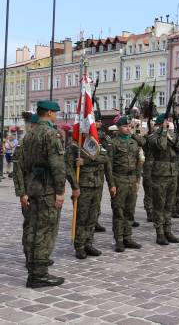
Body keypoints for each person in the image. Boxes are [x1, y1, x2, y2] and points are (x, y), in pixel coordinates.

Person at [14, 102, 67, 288]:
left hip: (33, 187)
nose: (57, 117)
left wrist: (23, 191)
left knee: (32, 228)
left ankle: (32, 265)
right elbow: (58, 167)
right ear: (50, 113)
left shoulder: (29, 135)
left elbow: (21, 165)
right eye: (56, 113)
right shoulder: (51, 134)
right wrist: (60, 192)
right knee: (45, 231)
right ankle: (39, 275)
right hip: (47, 189)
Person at [65, 130, 111, 259]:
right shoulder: (74, 147)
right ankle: (79, 246)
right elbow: (68, 168)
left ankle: (88, 243)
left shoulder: (93, 144)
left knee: (92, 217)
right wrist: (75, 186)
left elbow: (105, 158)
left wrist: (86, 161)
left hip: (97, 185)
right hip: (83, 186)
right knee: (82, 217)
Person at [108, 116, 144, 252]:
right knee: (119, 211)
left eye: (130, 126)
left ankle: (128, 237)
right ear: (118, 128)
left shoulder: (134, 143)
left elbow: (138, 163)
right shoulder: (113, 143)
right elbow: (109, 166)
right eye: (125, 126)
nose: (128, 128)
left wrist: (137, 180)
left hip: (132, 180)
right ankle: (119, 240)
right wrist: (111, 184)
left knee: (130, 210)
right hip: (119, 180)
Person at [147, 114, 179, 245]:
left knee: (169, 205)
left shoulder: (170, 135)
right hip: (160, 175)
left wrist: (172, 137)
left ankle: (168, 231)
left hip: (173, 174)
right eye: (167, 122)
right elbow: (161, 146)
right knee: (159, 206)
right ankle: (160, 234)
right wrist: (163, 132)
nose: (169, 123)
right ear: (161, 123)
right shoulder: (152, 137)